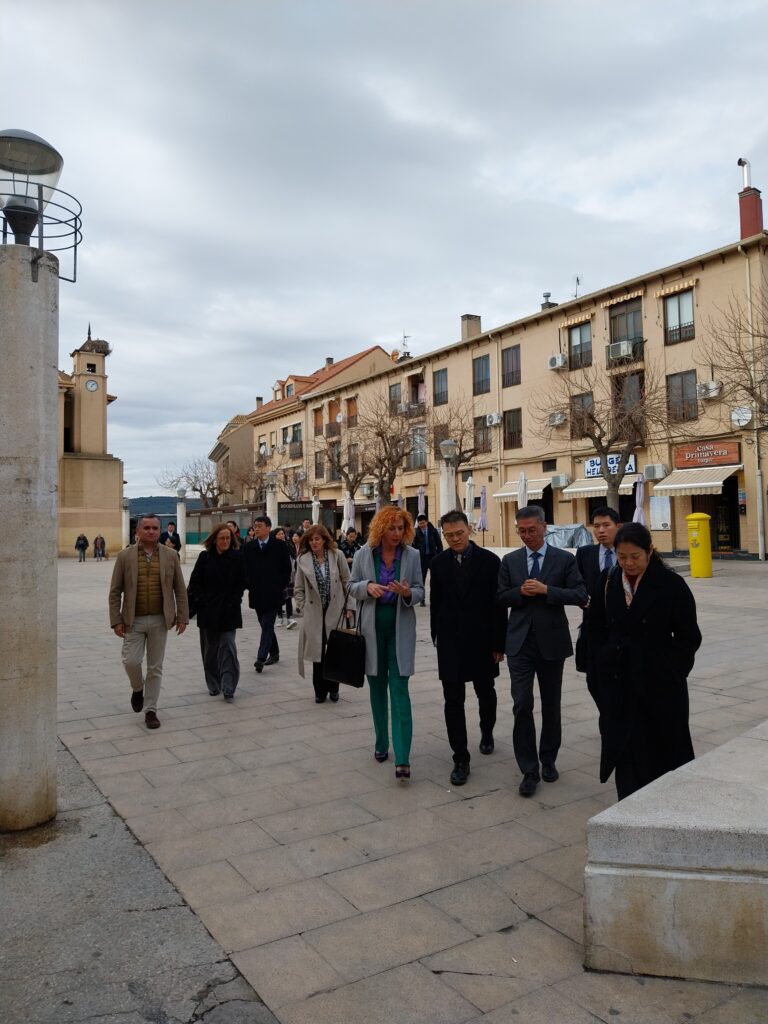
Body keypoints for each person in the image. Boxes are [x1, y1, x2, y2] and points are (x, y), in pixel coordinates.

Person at [591, 522, 702, 800]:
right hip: (620, 682)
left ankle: (666, 806)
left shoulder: (671, 585)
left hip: (660, 685)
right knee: (626, 750)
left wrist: (671, 670)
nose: (628, 563)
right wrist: (601, 664)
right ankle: (629, 807)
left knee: (663, 749)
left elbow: (689, 637)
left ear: (650, 552)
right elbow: (594, 628)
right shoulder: (608, 581)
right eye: (622, 557)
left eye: (635, 556)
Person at [498, 505, 587, 797]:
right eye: (521, 531)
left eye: (531, 530)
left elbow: (579, 594)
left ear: (544, 527)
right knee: (521, 703)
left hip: (551, 642)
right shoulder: (510, 561)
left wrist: (547, 590)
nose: (526, 536)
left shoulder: (563, 559)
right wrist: (520, 593)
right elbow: (499, 598)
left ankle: (548, 759)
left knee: (551, 704)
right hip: (520, 643)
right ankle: (528, 768)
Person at [429, 511, 508, 786]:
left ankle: (487, 731)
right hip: (450, 642)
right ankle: (460, 758)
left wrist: (500, 642)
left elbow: (499, 605)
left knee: (485, 693)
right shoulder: (438, 563)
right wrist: (435, 634)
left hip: (483, 641)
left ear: (469, 529)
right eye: (449, 535)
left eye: (459, 533)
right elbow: (435, 601)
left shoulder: (490, 561)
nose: (455, 539)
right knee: (453, 701)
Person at [348, 505, 424, 781]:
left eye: (401, 528)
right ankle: (382, 741)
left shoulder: (413, 555)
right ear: (381, 528)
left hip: (400, 627)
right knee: (377, 687)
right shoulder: (364, 553)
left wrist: (407, 593)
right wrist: (367, 586)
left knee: (400, 687)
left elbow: (419, 590)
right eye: (391, 528)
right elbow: (351, 585)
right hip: (371, 627)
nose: (396, 533)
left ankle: (402, 757)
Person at [108, 513, 189, 729]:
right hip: (132, 621)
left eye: (155, 528)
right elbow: (115, 591)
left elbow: (179, 588)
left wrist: (183, 616)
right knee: (131, 662)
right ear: (138, 531)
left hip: (160, 620)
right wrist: (116, 619)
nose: (151, 531)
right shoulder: (125, 556)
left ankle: (151, 710)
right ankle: (137, 689)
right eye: (147, 528)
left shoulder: (171, 555)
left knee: (155, 667)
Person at [187, 523, 247, 701]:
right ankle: (214, 683)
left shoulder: (237, 558)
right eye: (222, 538)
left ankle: (228, 686)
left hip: (229, 610)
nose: (225, 541)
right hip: (208, 611)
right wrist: (202, 601)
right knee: (210, 651)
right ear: (214, 540)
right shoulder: (205, 558)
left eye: (228, 538)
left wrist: (235, 599)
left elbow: (242, 582)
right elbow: (194, 583)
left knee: (228, 647)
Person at [294, 525, 351, 703]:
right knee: (317, 653)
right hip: (314, 612)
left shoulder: (337, 555)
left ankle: (334, 688)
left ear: (325, 539)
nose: (314, 543)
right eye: (311, 540)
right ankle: (320, 691)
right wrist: (303, 608)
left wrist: (350, 607)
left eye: (317, 539)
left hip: (335, 609)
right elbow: (298, 588)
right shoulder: (303, 559)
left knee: (335, 651)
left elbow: (347, 581)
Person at [575, 506, 620, 711]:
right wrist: (583, 600)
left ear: (617, 527)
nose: (600, 530)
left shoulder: (626, 554)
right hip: (593, 628)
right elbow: (576, 585)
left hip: (620, 629)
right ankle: (607, 719)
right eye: (596, 526)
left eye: (606, 525)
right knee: (594, 682)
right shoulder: (585, 554)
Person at [243, 515, 292, 672]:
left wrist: (280, 585)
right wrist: (248, 584)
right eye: (255, 526)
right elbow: (244, 569)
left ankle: (260, 658)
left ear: (268, 528)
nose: (256, 528)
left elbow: (287, 568)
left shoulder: (279, 546)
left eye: (260, 525)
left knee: (267, 624)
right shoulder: (249, 547)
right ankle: (275, 652)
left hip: (274, 593)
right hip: (257, 593)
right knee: (265, 625)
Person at [412, 513, 442, 605]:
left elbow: (439, 544)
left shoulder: (433, 530)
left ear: (427, 522)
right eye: (420, 523)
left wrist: (439, 556)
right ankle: (422, 599)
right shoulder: (416, 532)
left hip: (433, 557)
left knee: (435, 579)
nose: (422, 525)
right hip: (422, 559)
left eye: (423, 523)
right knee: (422, 579)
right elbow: (413, 546)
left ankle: (434, 598)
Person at [273, 527, 297, 628]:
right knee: (279, 597)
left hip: (288, 575)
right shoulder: (272, 547)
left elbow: (293, 558)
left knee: (288, 598)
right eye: (279, 534)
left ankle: (290, 618)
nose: (281, 536)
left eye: (282, 534)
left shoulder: (288, 545)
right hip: (276, 577)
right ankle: (279, 617)